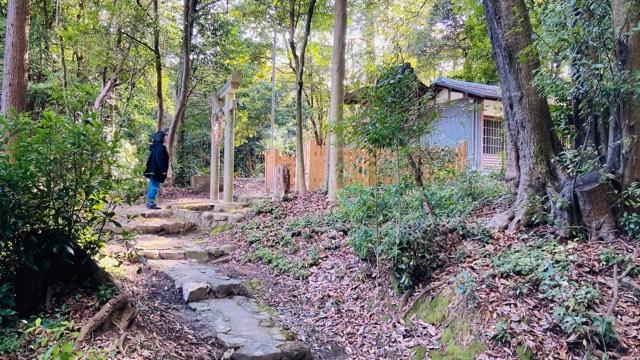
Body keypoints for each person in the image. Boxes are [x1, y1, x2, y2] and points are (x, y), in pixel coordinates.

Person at [143, 130, 170, 209]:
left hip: (152, 169)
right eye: (166, 137)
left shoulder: (155, 147)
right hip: (157, 171)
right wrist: (164, 170)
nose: (167, 138)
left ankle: (149, 203)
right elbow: (160, 159)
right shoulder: (160, 148)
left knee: (152, 185)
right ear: (162, 138)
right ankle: (151, 203)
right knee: (155, 186)